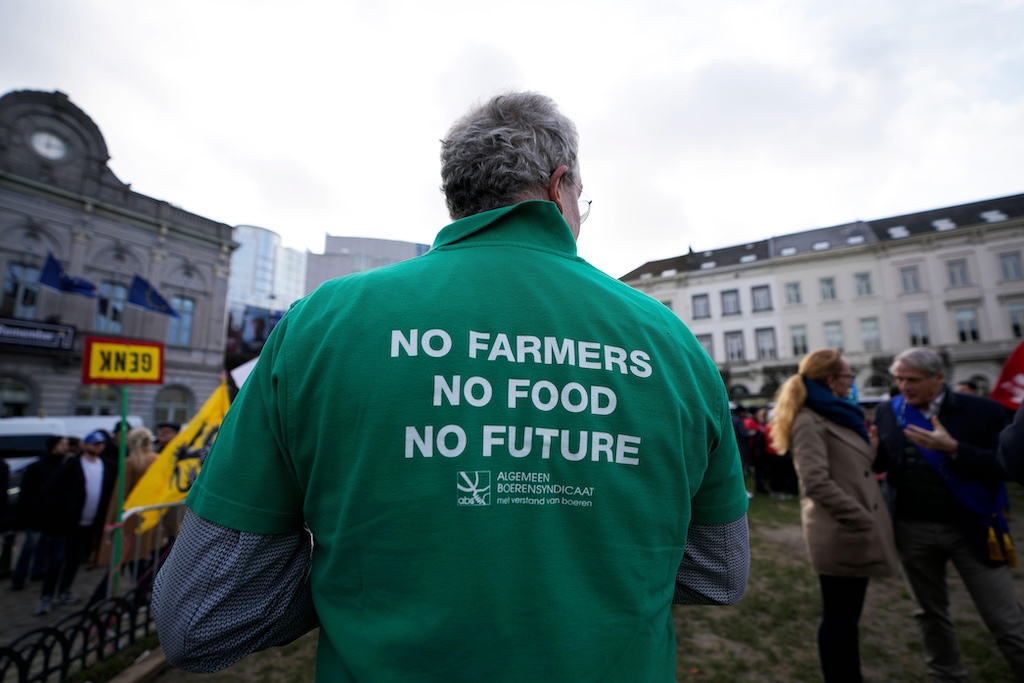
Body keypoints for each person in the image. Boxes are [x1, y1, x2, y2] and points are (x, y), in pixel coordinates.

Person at [153, 91, 751, 681]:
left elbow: (199, 617)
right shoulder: (671, 342)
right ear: (558, 185)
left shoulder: (325, 321)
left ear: (456, 196)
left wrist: (367, 572)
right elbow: (718, 573)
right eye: (582, 200)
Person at [875, 347, 1024, 680]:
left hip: (971, 528)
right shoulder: (888, 411)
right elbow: (887, 465)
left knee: (1005, 620)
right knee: (929, 614)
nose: (904, 387)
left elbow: (1006, 465)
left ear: (938, 378)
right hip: (913, 530)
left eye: (912, 380)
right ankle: (945, 674)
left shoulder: (982, 411)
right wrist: (872, 457)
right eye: (899, 379)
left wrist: (954, 449)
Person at [770, 349, 899, 682]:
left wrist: (868, 451)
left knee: (847, 616)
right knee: (840, 618)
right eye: (848, 376)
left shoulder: (840, 414)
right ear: (831, 380)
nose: (851, 382)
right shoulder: (809, 419)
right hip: (842, 530)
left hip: (853, 526)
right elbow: (815, 480)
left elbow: (851, 469)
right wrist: (860, 517)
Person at [35, 429, 116, 615]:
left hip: (88, 524)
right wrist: (59, 514)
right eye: (95, 443)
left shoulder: (105, 466)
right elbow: (51, 490)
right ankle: (46, 596)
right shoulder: (71, 465)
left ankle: (65, 591)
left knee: (74, 560)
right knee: (57, 560)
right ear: (85, 445)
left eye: (101, 444)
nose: (99, 447)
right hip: (67, 524)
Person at [89, 427, 162, 606]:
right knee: (136, 560)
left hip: (130, 520)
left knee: (122, 561)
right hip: (148, 518)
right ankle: (139, 597)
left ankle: (96, 603)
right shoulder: (157, 461)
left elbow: (119, 496)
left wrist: (111, 521)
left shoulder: (131, 462)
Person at [11, 435, 69, 591]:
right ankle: (19, 577)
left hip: (52, 515)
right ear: (53, 446)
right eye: (62, 444)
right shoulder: (38, 467)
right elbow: (27, 493)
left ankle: (37, 571)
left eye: (66, 444)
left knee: (43, 545)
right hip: (36, 516)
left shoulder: (62, 466)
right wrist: (26, 515)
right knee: (31, 546)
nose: (66, 447)